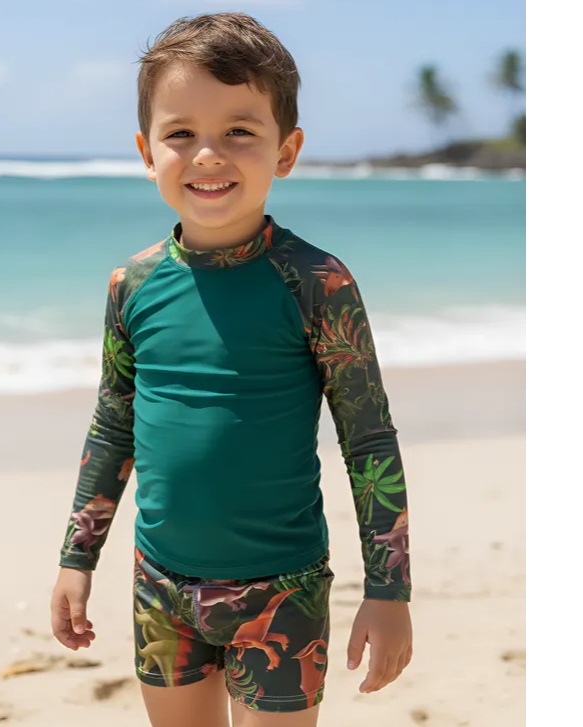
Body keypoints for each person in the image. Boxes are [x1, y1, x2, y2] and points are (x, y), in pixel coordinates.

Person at [50, 12, 412, 727]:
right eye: (181, 133)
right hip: (158, 586)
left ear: (286, 150)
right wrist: (76, 559)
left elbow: (368, 441)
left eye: (239, 131)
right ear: (146, 151)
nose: (208, 155)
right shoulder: (131, 284)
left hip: (282, 591)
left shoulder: (317, 283)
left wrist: (388, 590)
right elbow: (113, 425)